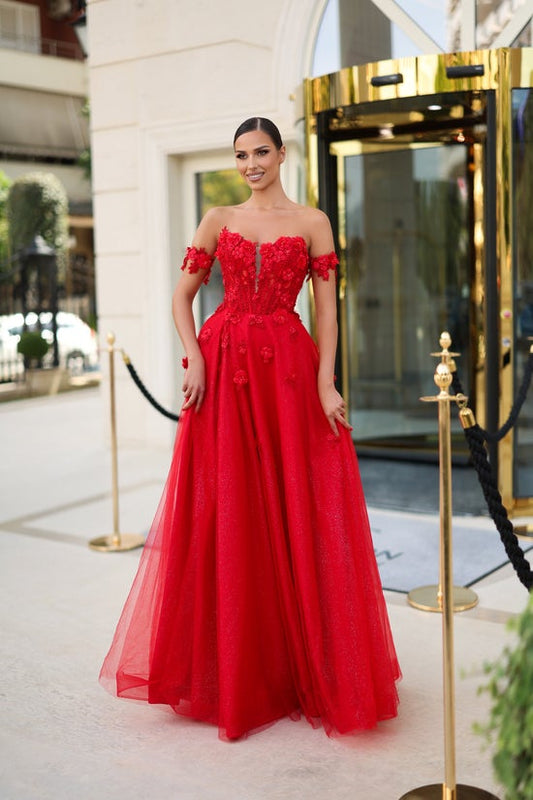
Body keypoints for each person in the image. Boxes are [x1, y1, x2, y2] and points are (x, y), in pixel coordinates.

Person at [99, 117, 400, 741]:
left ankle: (299, 667)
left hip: (288, 369)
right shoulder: (217, 218)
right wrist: (196, 358)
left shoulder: (313, 222)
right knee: (227, 507)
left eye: (260, 152)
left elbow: (326, 313)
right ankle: (230, 669)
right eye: (241, 155)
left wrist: (325, 382)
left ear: (282, 153)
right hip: (225, 369)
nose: (251, 164)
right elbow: (182, 297)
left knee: (295, 503)